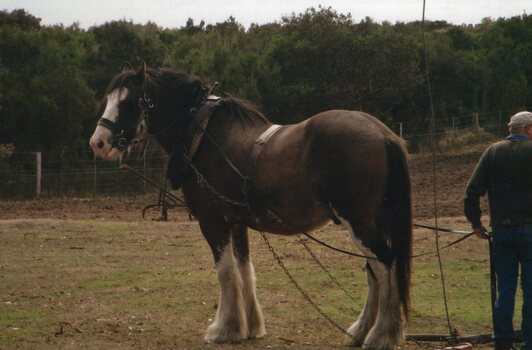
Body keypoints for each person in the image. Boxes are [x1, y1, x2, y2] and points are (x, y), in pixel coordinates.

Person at [464, 110, 532, 350]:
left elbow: (471, 193)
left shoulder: (492, 152)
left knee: (505, 289)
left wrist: (476, 224)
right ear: (529, 129)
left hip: (501, 232)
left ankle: (502, 342)